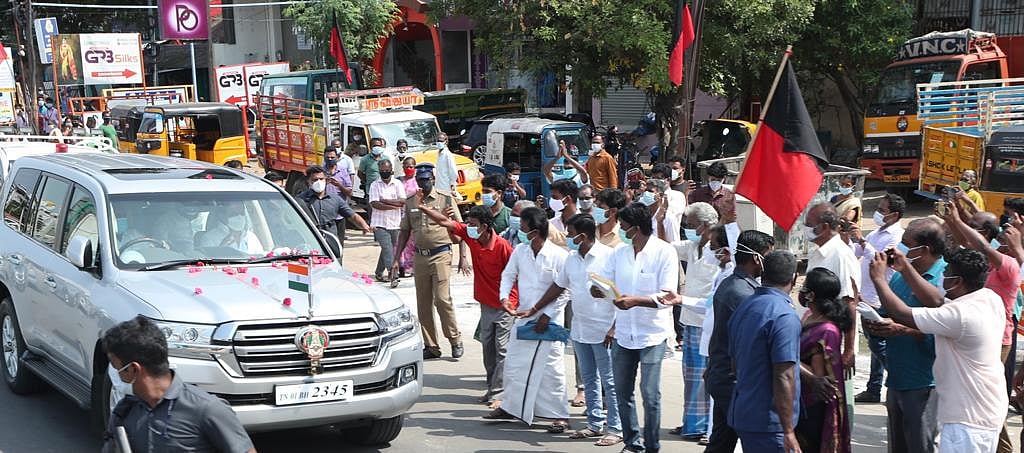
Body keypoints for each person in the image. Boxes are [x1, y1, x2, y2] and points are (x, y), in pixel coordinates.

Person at [870, 248, 1007, 453]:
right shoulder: (988, 298)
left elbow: (901, 313)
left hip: (967, 420)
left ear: (957, 281)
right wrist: (905, 267)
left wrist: (878, 278)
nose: (942, 275)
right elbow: (937, 301)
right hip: (983, 410)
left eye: (947, 272)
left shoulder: (961, 315)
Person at [592, 203, 680, 453]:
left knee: (650, 395)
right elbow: (606, 282)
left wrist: (635, 301)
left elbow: (667, 296)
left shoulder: (664, 252)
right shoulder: (619, 253)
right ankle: (632, 444)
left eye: (624, 227)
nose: (620, 230)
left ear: (637, 228)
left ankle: (653, 446)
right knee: (621, 391)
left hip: (652, 334)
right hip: (623, 333)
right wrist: (598, 290)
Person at [101, 316, 256, 453]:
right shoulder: (125, 411)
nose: (116, 375)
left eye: (116, 368)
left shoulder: (207, 409)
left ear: (134, 369)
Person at [940, 199, 1021, 453]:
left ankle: (1003, 448)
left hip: (998, 337)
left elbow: (982, 246)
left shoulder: (1007, 264)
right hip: (979, 330)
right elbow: (969, 245)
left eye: (974, 226)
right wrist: (954, 222)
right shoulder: (985, 259)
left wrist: (956, 220)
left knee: (984, 395)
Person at [418, 204, 517, 410]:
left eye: (473, 224)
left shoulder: (503, 246)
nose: (469, 227)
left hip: (505, 305)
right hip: (485, 303)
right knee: (488, 349)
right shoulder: (472, 238)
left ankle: (500, 394)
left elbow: (516, 276)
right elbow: (445, 221)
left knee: (503, 350)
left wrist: (512, 304)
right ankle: (492, 389)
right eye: (469, 224)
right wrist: (423, 208)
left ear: (486, 226)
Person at [864, 218, 946, 453]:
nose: (899, 249)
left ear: (925, 249)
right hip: (898, 377)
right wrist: (876, 322)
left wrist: (905, 330)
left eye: (906, 244)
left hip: (925, 382)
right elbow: (888, 312)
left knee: (921, 445)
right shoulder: (900, 276)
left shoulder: (944, 280)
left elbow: (940, 332)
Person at [487, 206, 571, 432]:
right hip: (523, 316)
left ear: (535, 230)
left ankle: (558, 415)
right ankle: (511, 407)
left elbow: (565, 291)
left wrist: (546, 315)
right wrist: (505, 298)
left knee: (552, 368)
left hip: (550, 322)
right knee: (515, 364)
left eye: (523, 226)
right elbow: (508, 275)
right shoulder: (521, 251)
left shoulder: (559, 255)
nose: (520, 229)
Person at [705, 230, 775, 452]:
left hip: (724, 376)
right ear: (757, 258)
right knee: (752, 440)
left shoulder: (737, 285)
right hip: (733, 381)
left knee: (722, 441)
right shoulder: (743, 293)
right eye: (768, 256)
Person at [727, 250, 802, 453]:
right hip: (770, 423)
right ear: (794, 279)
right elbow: (784, 375)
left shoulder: (745, 307)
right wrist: (788, 431)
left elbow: (734, 364)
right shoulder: (785, 316)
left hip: (745, 412)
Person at [393, 163, 466, 360]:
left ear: (432, 179)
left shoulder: (445, 199)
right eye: (419, 180)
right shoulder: (411, 202)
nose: (422, 184)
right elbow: (404, 232)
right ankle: (431, 345)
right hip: (420, 256)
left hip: (441, 254)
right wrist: (396, 259)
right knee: (423, 302)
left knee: (442, 299)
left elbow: (460, 229)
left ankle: (454, 339)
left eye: (425, 180)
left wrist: (463, 257)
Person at [669, 201, 719, 441]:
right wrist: (658, 220)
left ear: (705, 225)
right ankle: (691, 421)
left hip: (707, 322)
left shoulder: (720, 251)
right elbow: (665, 247)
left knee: (705, 377)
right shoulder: (692, 246)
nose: (688, 229)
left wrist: (682, 299)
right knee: (690, 375)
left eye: (690, 225)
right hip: (690, 321)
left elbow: (713, 297)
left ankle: (706, 427)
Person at [849, 193, 906, 404]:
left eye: (882, 210)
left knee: (877, 343)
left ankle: (899, 375)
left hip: (880, 296)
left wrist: (862, 241)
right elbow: (857, 251)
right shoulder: (876, 233)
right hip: (866, 293)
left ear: (895, 215)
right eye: (879, 209)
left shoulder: (896, 236)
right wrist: (848, 238)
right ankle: (873, 388)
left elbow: (882, 260)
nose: (878, 214)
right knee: (876, 344)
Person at [795, 268, 852, 453]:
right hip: (799, 396)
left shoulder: (827, 330)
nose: (800, 290)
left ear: (811, 294)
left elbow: (819, 376)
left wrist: (788, 359)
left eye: (804, 287)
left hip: (813, 403)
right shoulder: (809, 317)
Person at [804, 202, 860, 372]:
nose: (806, 229)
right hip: (816, 340)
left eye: (809, 225)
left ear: (824, 227)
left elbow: (849, 303)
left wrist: (848, 350)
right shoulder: (818, 253)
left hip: (832, 343)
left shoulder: (840, 256)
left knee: (836, 395)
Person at [297, 165, 370, 246]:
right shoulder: (300, 200)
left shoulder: (335, 199)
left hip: (330, 242)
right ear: (308, 181)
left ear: (327, 180)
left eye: (321, 179)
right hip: (310, 241)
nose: (318, 182)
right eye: (315, 180)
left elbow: (351, 215)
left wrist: (363, 225)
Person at [369, 160, 407, 282]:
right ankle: (393, 274)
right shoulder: (375, 185)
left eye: (387, 171)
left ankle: (378, 272)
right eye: (382, 171)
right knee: (387, 248)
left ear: (391, 170)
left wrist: (385, 200)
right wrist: (393, 205)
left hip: (395, 223)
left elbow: (402, 201)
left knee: (389, 248)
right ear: (379, 171)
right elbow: (375, 204)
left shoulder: (397, 184)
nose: (385, 173)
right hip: (379, 223)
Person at [398, 156, 420, 277]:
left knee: (413, 242)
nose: (409, 169)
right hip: (401, 214)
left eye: (411, 166)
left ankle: (411, 267)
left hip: (414, 214)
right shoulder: (399, 181)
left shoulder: (418, 181)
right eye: (407, 167)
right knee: (401, 240)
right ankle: (401, 265)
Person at [651, 163, 687, 227]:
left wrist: (658, 202)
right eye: (653, 178)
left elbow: (669, 216)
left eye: (658, 178)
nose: (655, 181)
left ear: (668, 179)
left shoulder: (678, 196)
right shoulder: (648, 195)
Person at [435, 132, 460, 199]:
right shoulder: (439, 154)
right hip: (439, 186)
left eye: (441, 141)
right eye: (437, 140)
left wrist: (452, 184)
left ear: (446, 142)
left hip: (446, 186)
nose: (439, 142)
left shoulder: (448, 155)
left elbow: (454, 172)